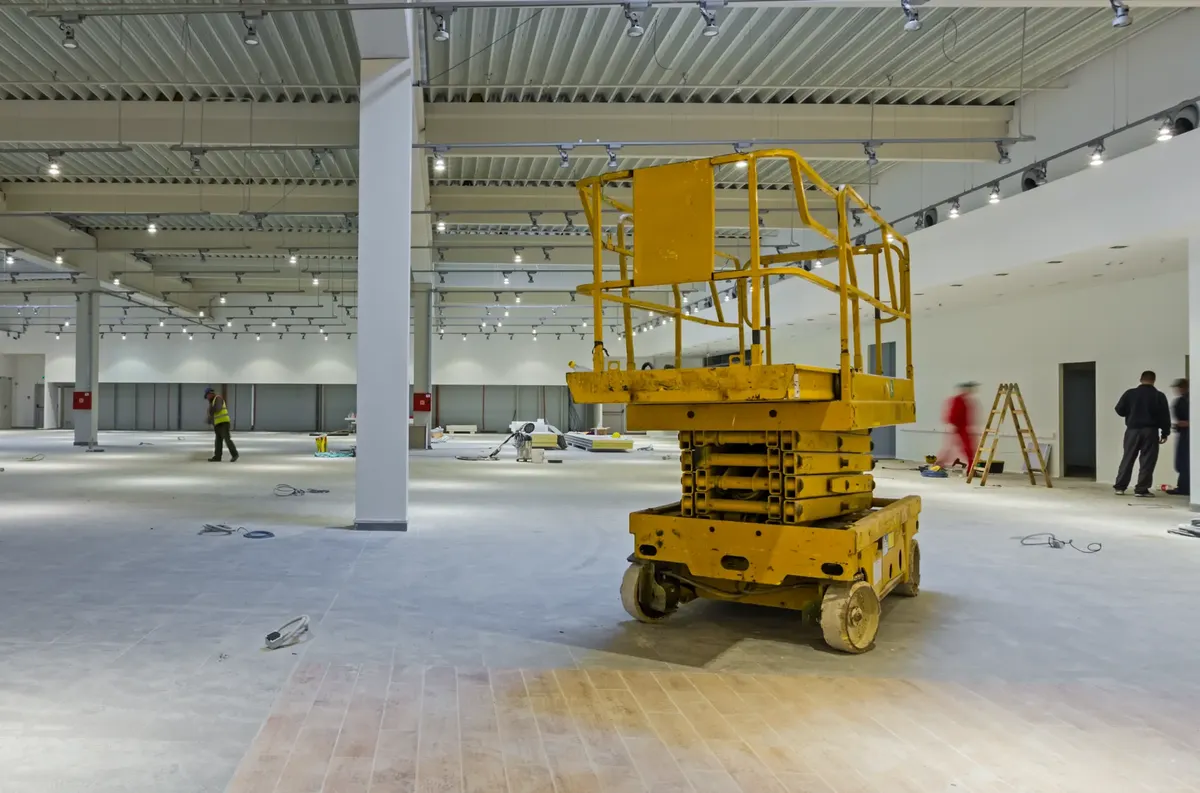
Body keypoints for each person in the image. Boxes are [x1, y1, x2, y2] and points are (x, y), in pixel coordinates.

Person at [1113, 370, 1171, 496]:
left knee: (1128, 458)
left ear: (1140, 379)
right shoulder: (1159, 396)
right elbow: (1164, 416)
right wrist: (1165, 433)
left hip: (1132, 430)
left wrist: (1131, 412)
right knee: (1147, 460)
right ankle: (1141, 489)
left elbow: (1119, 410)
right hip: (1150, 431)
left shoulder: (1130, 394)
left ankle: (1120, 487)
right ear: (1154, 380)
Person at [939, 381, 979, 469]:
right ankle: (938, 464)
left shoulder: (965, 400)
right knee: (953, 448)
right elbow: (954, 412)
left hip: (962, 427)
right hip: (958, 427)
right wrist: (953, 424)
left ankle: (971, 468)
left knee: (966, 449)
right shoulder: (958, 399)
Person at [1167, 378, 1189, 496]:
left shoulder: (1191, 400)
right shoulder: (1180, 401)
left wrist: (1189, 423)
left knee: (1186, 461)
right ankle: (1184, 487)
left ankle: (1185, 487)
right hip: (1184, 434)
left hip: (1190, 435)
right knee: (1182, 461)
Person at [204, 387, 239, 463]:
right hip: (218, 424)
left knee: (227, 439)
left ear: (210, 394)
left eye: (207, 396)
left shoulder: (218, 398)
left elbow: (218, 409)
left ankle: (235, 454)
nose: (207, 398)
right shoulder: (212, 401)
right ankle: (217, 457)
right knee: (218, 441)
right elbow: (212, 414)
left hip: (223, 423)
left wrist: (210, 410)